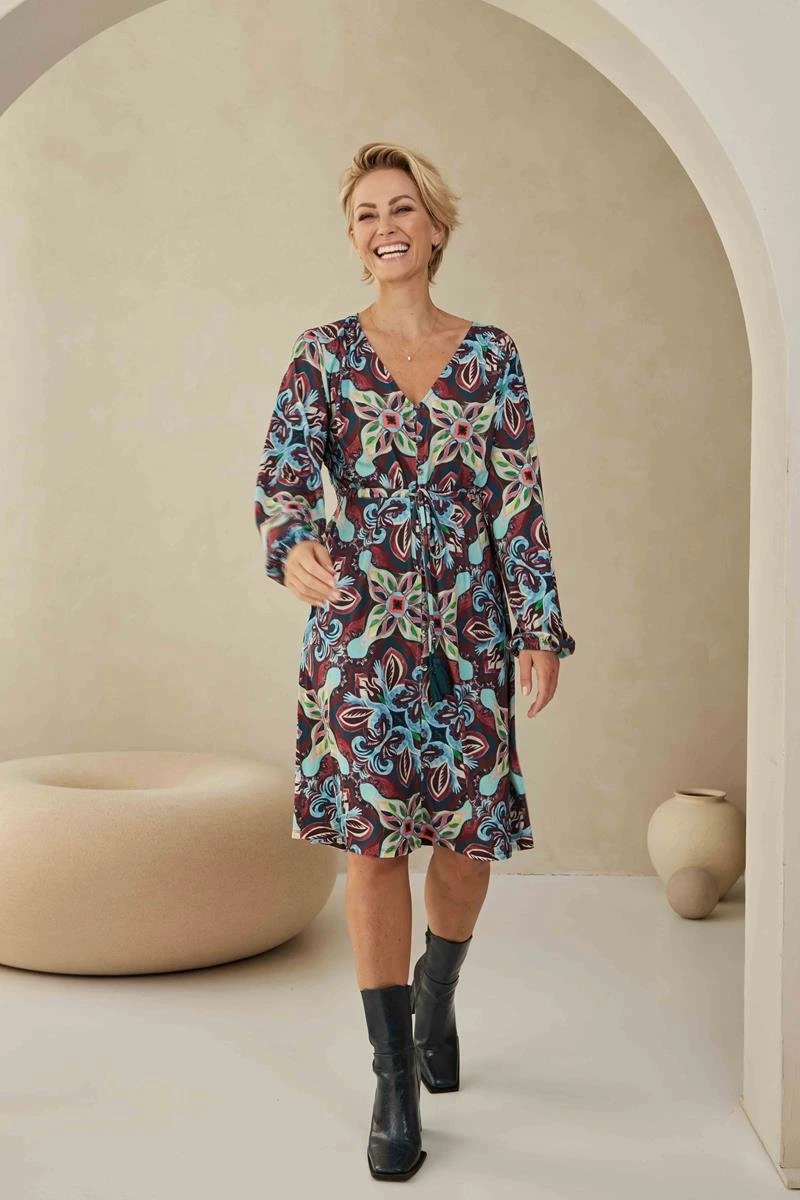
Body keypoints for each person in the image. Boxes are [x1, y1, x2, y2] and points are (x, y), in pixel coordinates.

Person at [254, 141, 576, 1181]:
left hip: (468, 637)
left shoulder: (491, 357)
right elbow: (282, 477)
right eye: (365, 214)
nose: (385, 226)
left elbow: (517, 500)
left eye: (402, 208)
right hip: (360, 639)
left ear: (435, 228)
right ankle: (394, 1081)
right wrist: (289, 543)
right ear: (353, 242)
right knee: (375, 848)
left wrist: (536, 624)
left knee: (468, 850)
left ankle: (436, 994)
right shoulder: (321, 354)